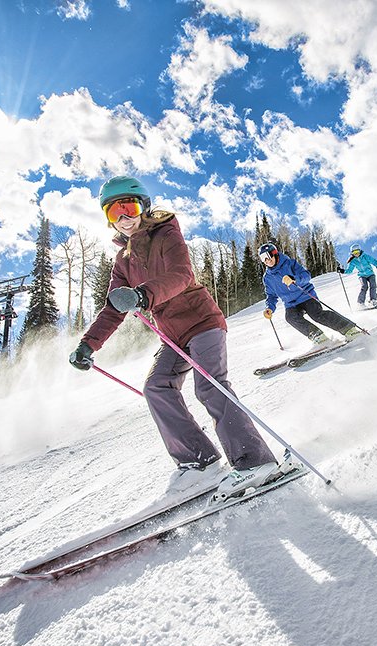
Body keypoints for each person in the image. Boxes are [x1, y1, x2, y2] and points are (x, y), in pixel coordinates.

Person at [69, 175, 280, 499]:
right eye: (114, 213)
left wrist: (142, 296)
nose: (124, 218)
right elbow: (113, 308)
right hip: (171, 336)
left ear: (144, 207)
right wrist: (88, 344)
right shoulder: (122, 262)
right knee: (156, 388)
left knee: (209, 385)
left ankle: (256, 461)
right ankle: (200, 462)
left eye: (129, 207)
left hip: (202, 322)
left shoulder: (166, 233)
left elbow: (181, 275)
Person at [259, 242, 363, 347]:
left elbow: (306, 276)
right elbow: (271, 296)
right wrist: (270, 308)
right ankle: (317, 336)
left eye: (268, 256)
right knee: (290, 317)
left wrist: (294, 279)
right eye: (263, 258)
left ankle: (348, 329)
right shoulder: (267, 278)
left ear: (275, 253)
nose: (267, 260)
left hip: (306, 295)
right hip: (290, 303)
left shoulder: (290, 263)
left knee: (316, 314)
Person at [337, 243, 377, 308]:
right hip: (362, 275)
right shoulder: (352, 261)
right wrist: (342, 271)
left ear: (360, 251)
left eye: (357, 251)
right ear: (352, 253)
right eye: (354, 252)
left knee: (373, 286)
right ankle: (360, 303)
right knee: (364, 287)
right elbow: (349, 270)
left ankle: (373, 300)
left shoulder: (365, 256)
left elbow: (373, 261)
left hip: (370, 274)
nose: (356, 253)